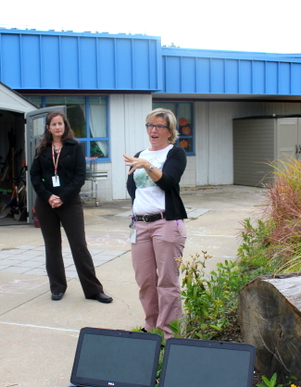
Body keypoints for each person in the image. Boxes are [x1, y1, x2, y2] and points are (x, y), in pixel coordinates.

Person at [29, 111, 112, 303]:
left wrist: (62, 198)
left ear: (65, 126)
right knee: (52, 246)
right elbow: (34, 175)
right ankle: (57, 287)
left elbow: (79, 176)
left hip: (69, 202)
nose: (57, 127)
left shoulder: (74, 147)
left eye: (60, 124)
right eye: (54, 124)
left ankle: (93, 290)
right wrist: (48, 196)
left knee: (79, 245)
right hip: (46, 203)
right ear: (48, 128)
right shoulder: (42, 148)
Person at [123, 108, 188, 338]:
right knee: (145, 281)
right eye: (150, 125)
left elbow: (169, 182)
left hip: (166, 223)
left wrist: (148, 166)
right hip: (140, 225)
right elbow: (133, 189)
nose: (153, 130)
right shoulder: (140, 153)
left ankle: (170, 334)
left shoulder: (175, 153)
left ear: (170, 131)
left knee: (167, 282)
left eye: (159, 126)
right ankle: (152, 329)